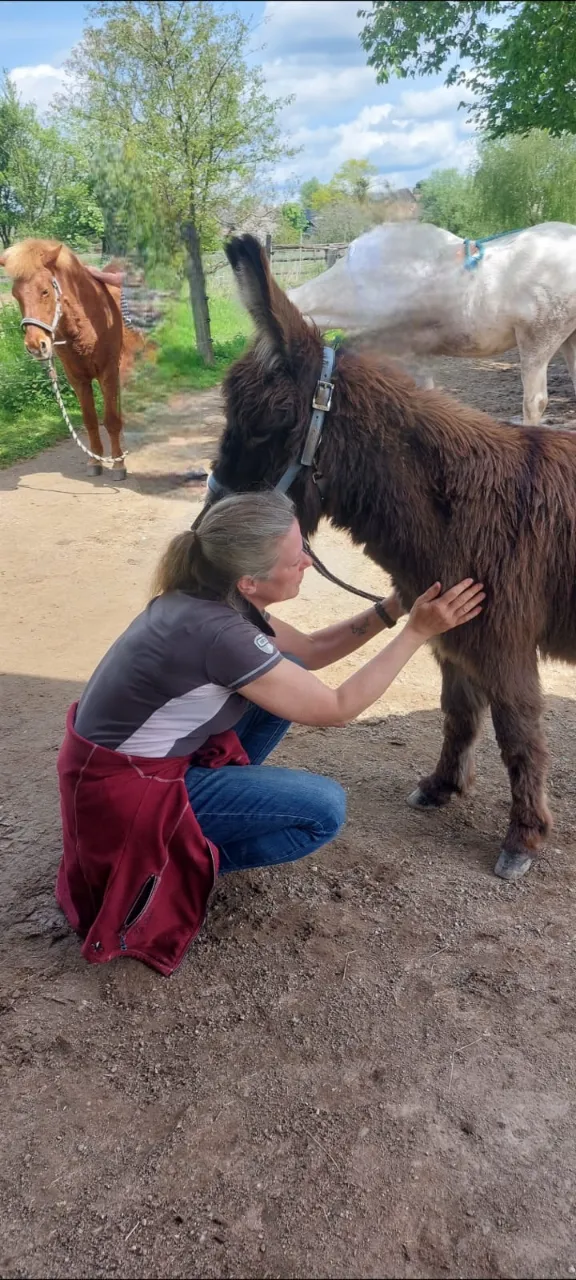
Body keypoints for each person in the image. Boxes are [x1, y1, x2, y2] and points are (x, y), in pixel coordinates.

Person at [56, 491, 484, 973]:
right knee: (323, 809)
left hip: (118, 772)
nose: (307, 562)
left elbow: (314, 649)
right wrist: (416, 633)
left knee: (292, 666)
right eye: (295, 556)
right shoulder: (221, 635)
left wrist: (394, 608)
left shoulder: (210, 594)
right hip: (125, 795)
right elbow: (337, 707)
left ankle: (200, 829)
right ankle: (180, 865)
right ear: (250, 581)